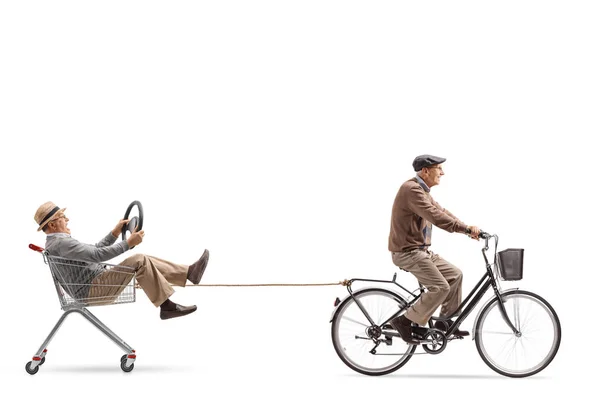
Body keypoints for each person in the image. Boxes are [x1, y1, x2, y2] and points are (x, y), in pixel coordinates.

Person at [34, 201, 210, 320]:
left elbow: (95, 250)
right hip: (93, 290)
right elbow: (98, 256)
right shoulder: (62, 243)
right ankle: (167, 306)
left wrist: (115, 233)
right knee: (139, 260)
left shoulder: (58, 242)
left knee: (143, 261)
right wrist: (128, 243)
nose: (67, 219)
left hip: (96, 282)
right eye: (62, 217)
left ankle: (188, 274)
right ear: (52, 224)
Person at [388, 155, 480, 344]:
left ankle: (443, 324)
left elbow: (441, 211)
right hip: (407, 252)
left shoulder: (422, 191)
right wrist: (465, 229)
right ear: (425, 171)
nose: (443, 173)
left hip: (420, 251)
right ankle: (403, 321)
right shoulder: (411, 189)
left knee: (455, 275)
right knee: (440, 287)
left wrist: (467, 229)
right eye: (439, 168)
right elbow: (436, 217)